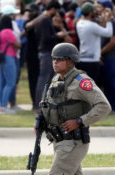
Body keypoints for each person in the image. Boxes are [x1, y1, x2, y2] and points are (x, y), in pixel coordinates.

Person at [41, 43, 111, 174]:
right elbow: (49, 105)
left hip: (73, 142)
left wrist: (79, 121)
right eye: (53, 59)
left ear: (70, 61)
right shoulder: (56, 79)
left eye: (59, 59)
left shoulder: (81, 81)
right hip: (59, 140)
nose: (55, 62)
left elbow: (104, 106)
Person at [34, 0, 65, 109]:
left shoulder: (43, 19)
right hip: (46, 52)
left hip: (45, 52)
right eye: (56, 11)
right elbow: (46, 37)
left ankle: (44, 103)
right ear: (52, 9)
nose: (56, 13)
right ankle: (38, 105)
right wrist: (58, 35)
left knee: (47, 79)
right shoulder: (45, 20)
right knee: (44, 79)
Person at [76, 2, 113, 86]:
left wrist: (102, 18)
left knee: (83, 84)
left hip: (82, 59)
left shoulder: (79, 23)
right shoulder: (91, 26)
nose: (95, 12)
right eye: (93, 11)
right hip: (92, 61)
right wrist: (109, 20)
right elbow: (108, 33)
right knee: (90, 86)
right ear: (89, 12)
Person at [0, 15, 21, 114]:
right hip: (9, 57)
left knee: (2, 82)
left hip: (1, 58)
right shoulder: (8, 32)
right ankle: (4, 107)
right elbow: (18, 44)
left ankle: (1, 105)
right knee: (10, 82)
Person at [99, 1, 115, 114]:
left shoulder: (113, 23)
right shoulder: (103, 23)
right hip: (104, 57)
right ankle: (108, 108)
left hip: (111, 56)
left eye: (100, 7)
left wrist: (100, 53)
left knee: (112, 83)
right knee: (105, 83)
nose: (98, 9)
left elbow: (112, 42)